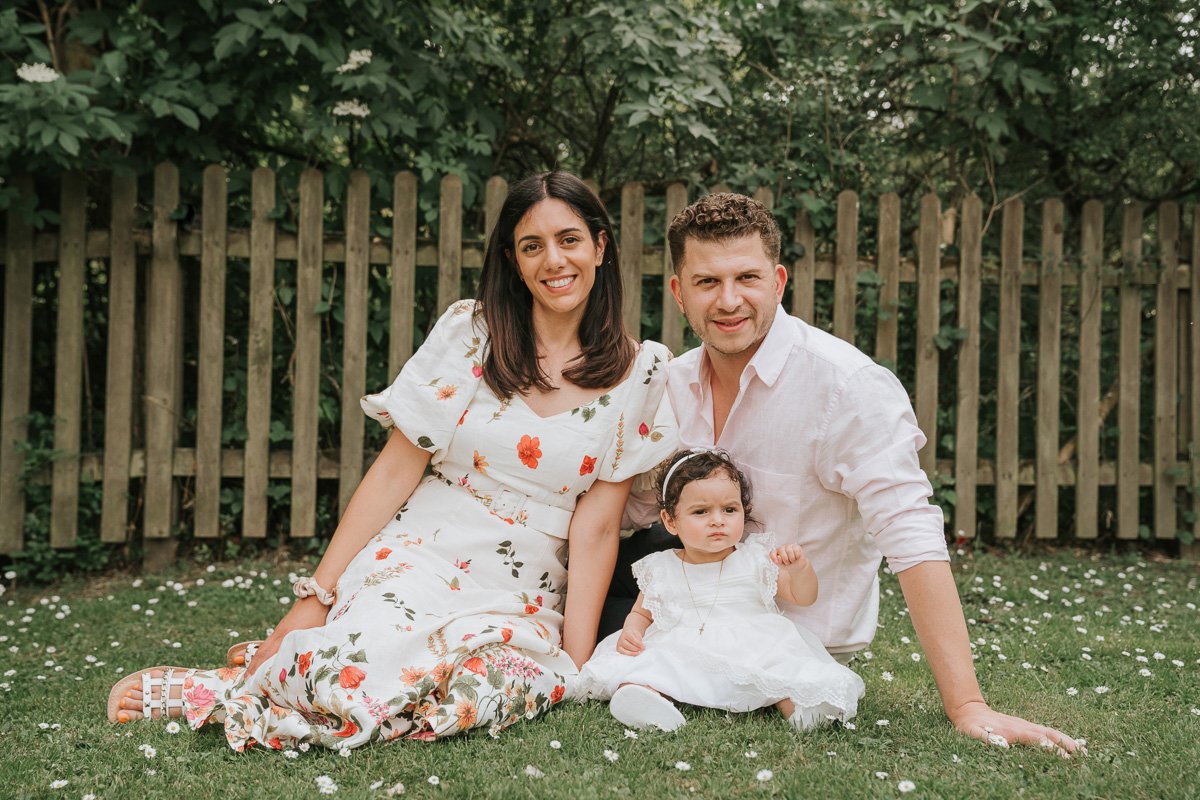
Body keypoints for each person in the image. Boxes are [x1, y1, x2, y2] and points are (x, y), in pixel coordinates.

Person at [106, 171, 678, 751]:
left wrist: (573, 661)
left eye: (570, 239)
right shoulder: (470, 334)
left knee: (484, 693)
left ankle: (313, 656)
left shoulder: (645, 370)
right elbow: (394, 470)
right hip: (422, 554)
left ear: (600, 247)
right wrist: (310, 601)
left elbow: (598, 524)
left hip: (521, 589)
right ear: (514, 260)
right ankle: (238, 682)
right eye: (533, 246)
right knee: (361, 672)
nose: (554, 260)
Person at [605, 192, 1081, 755]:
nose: (729, 301)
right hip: (691, 604)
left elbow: (908, 529)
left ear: (779, 282)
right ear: (679, 292)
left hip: (790, 630)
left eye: (748, 278)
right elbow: (627, 509)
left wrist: (967, 704)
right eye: (707, 282)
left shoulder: (847, 386)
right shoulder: (674, 383)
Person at [576, 448, 864, 731]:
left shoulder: (754, 558)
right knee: (651, 666)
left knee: (784, 671)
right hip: (684, 642)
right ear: (670, 521)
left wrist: (800, 569)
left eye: (729, 509)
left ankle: (802, 708)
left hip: (751, 645)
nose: (718, 520)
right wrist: (632, 631)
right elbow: (642, 611)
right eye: (701, 511)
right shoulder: (662, 567)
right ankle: (643, 697)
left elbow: (804, 596)